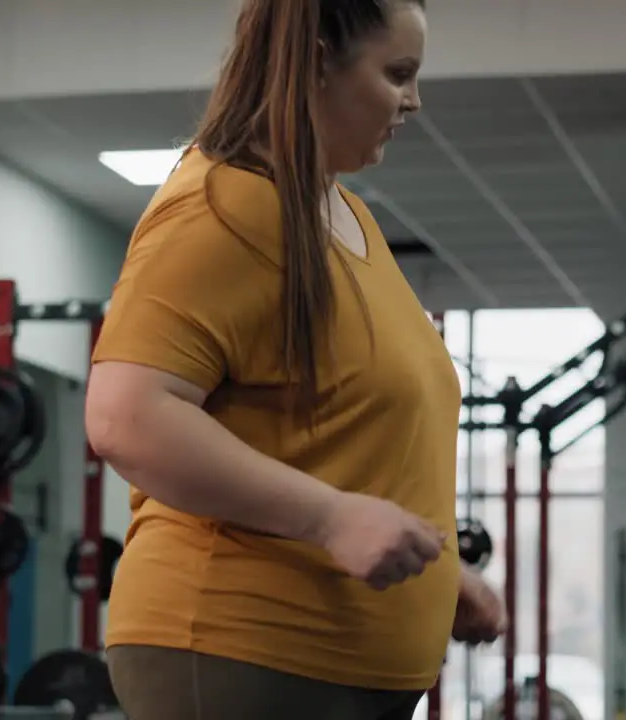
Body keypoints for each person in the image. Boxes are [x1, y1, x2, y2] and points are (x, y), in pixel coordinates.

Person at [83, 2, 505, 718]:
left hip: (338, 666)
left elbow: (343, 438)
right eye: (397, 73)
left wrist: (432, 574)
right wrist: (333, 519)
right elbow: (127, 415)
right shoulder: (223, 205)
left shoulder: (344, 215)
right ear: (315, 63)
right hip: (237, 650)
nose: (414, 100)